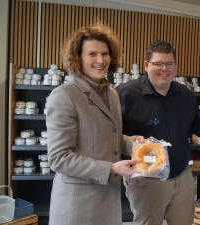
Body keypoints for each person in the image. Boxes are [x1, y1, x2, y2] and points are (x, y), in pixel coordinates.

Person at [46, 22, 145, 225]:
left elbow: (111, 138)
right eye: (92, 54)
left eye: (105, 53)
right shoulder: (65, 96)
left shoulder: (112, 93)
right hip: (78, 206)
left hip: (107, 200)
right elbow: (59, 158)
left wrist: (134, 143)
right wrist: (111, 168)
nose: (100, 60)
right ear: (78, 58)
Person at [116, 40, 200, 225]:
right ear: (146, 65)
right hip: (146, 179)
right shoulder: (126, 95)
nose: (165, 69)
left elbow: (196, 123)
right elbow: (113, 135)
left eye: (170, 63)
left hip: (182, 176)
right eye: (158, 63)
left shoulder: (185, 94)